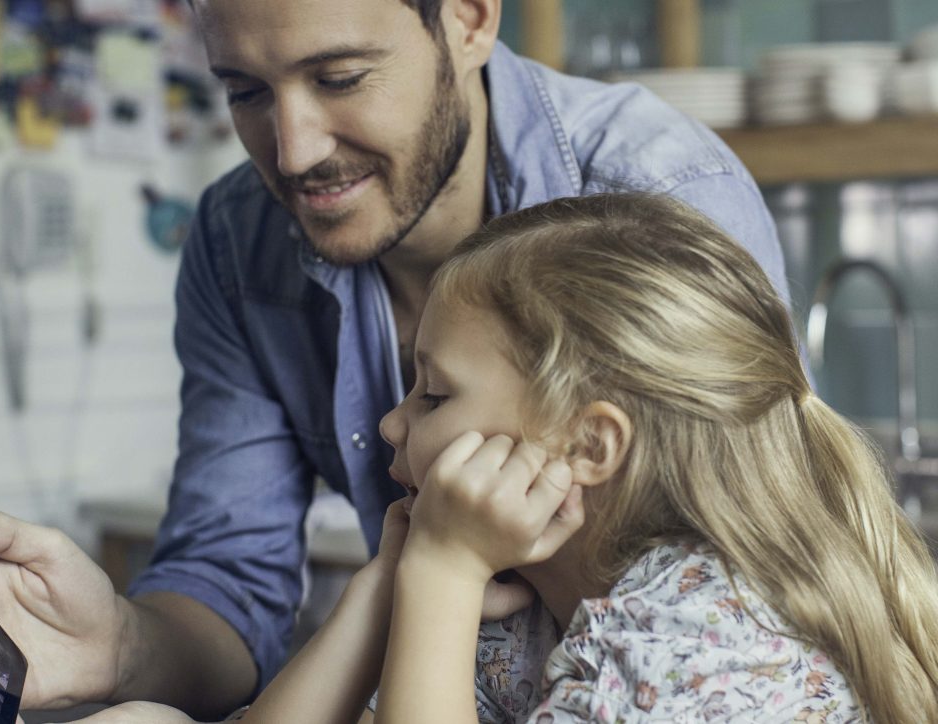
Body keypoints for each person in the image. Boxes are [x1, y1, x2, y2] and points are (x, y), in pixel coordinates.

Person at [0, 0, 795, 719]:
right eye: (245, 92)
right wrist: (120, 642)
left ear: (471, 19)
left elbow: (749, 562)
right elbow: (230, 581)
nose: (292, 151)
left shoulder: (660, 203)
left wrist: (432, 578)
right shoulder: (237, 239)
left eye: (339, 78)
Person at [369, 193, 938, 722]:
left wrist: (439, 574)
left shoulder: (700, 644)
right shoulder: (521, 607)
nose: (391, 423)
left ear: (589, 445)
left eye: (436, 395)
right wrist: (390, 587)